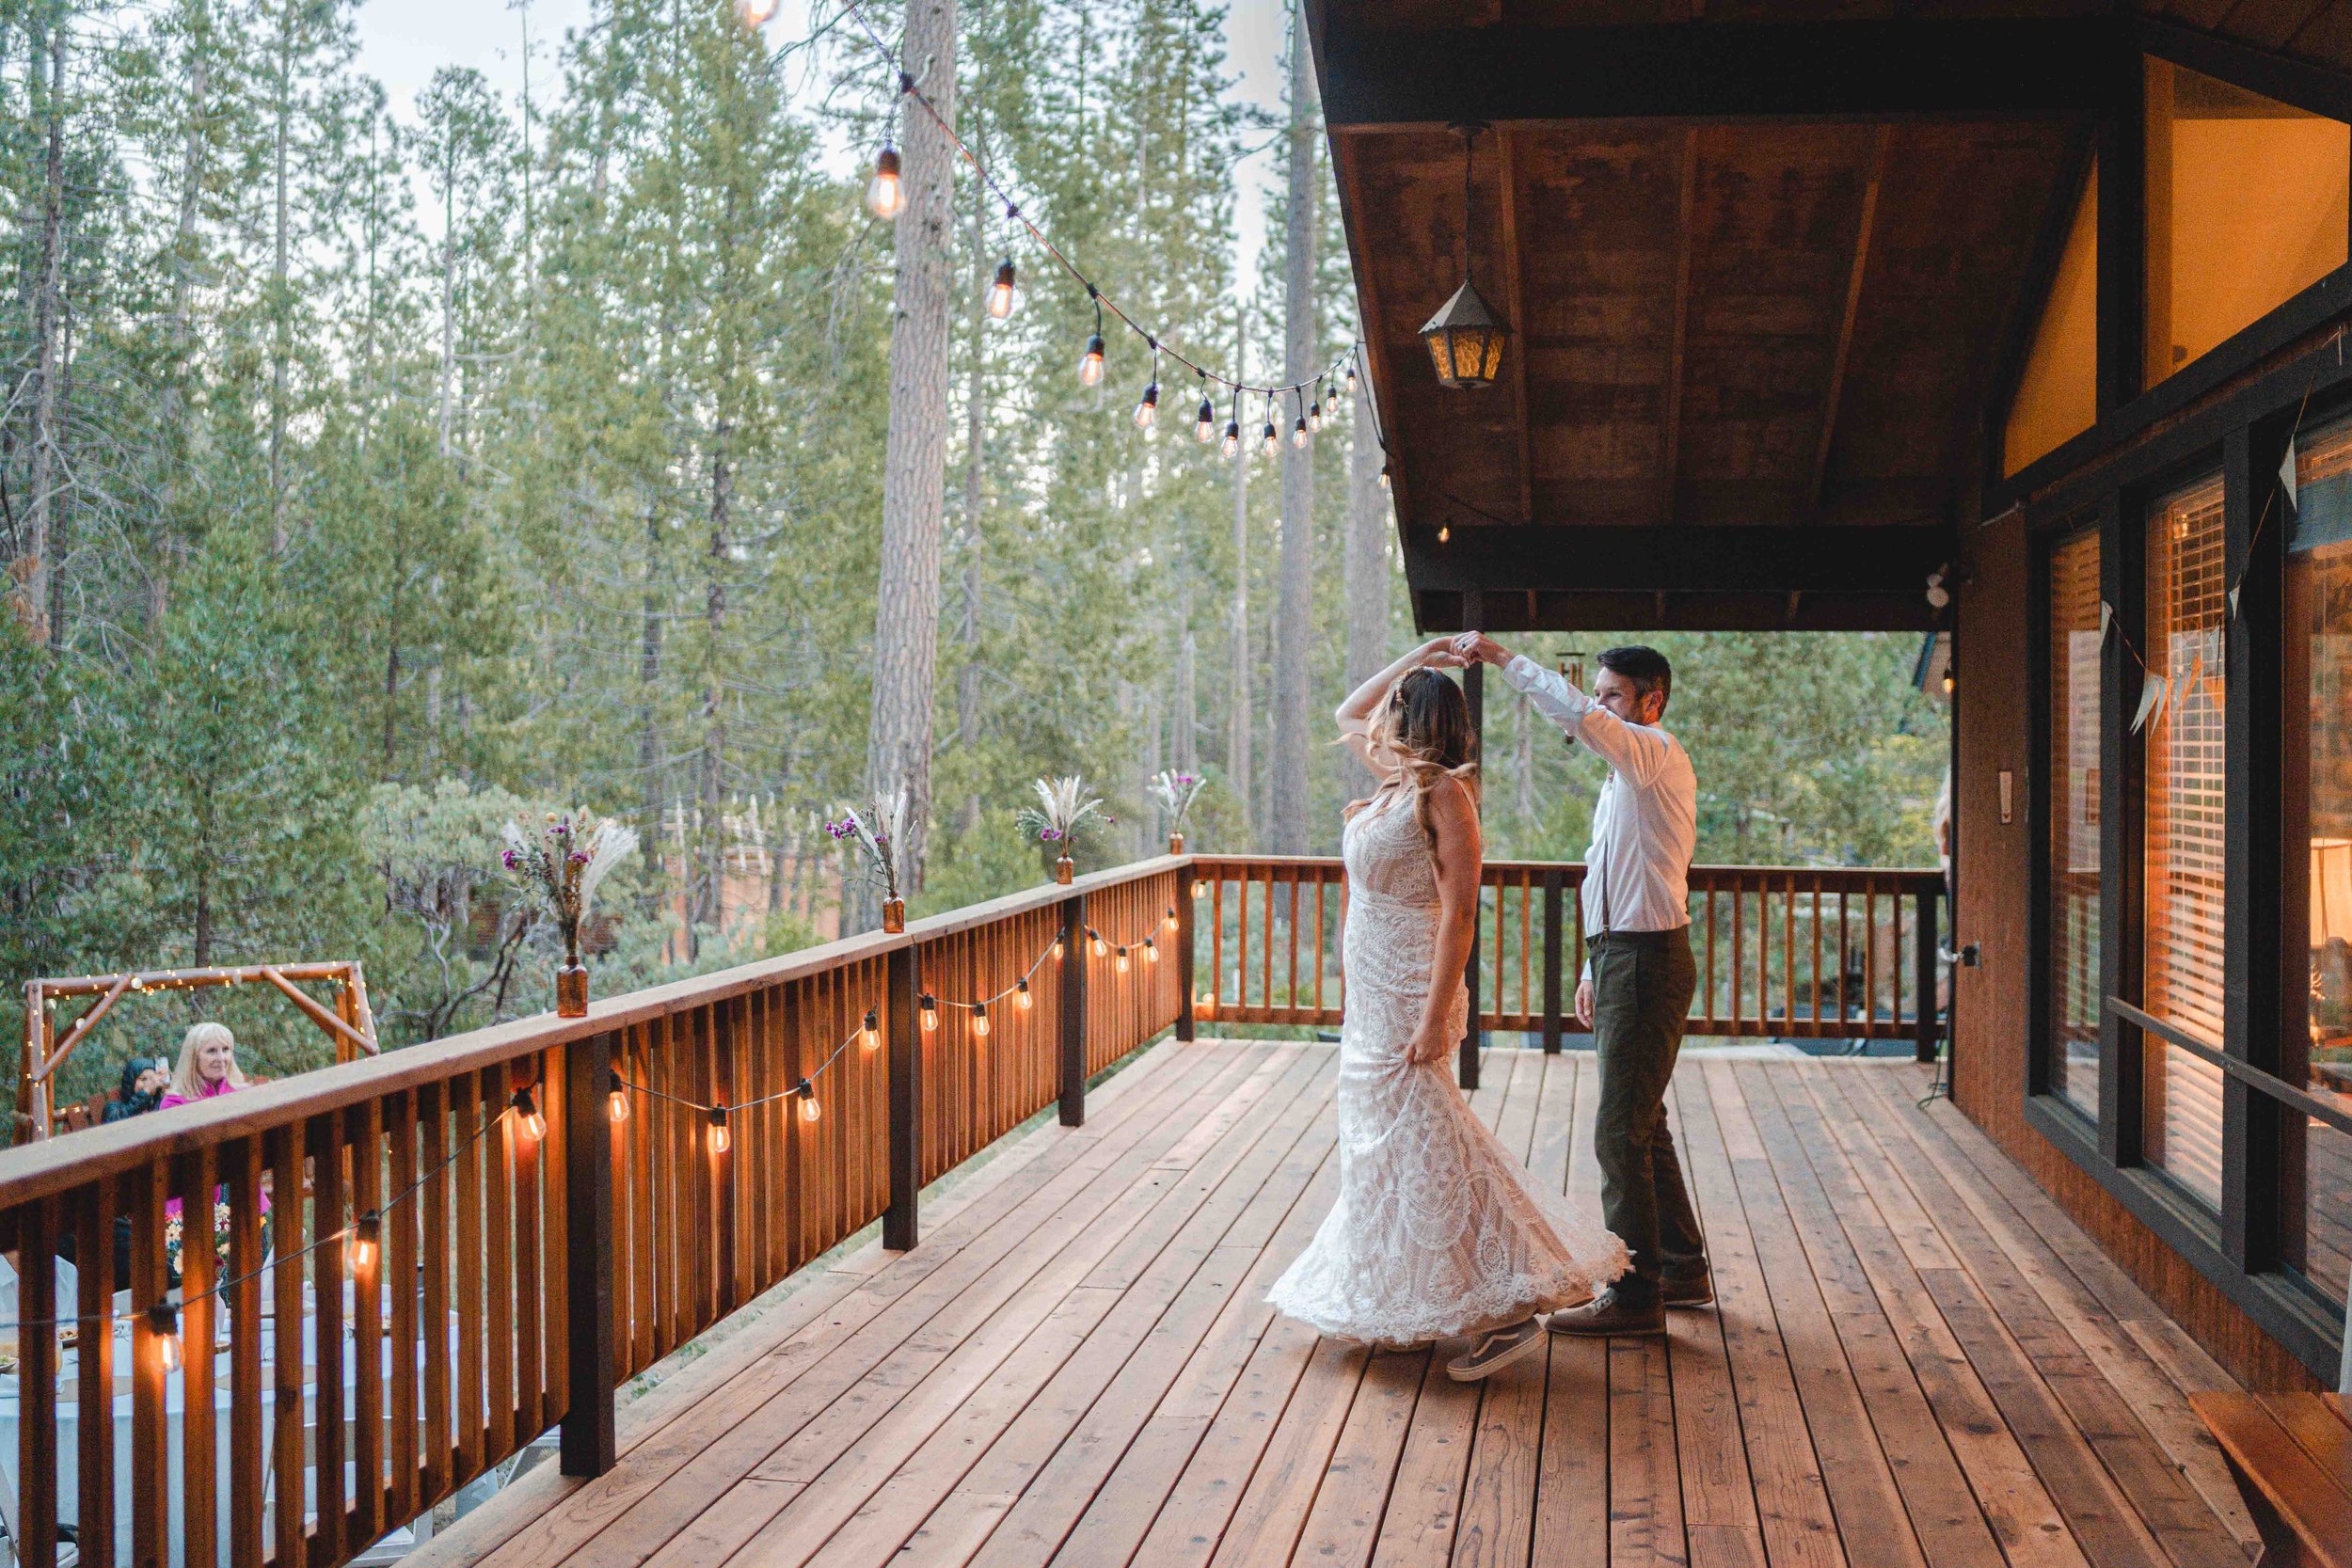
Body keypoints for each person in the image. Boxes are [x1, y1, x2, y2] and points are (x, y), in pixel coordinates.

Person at [1264, 639, 1627, 1382]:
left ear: (1421, 716)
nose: (1385, 713)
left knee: (1430, 1142)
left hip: (1411, 994)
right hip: (1369, 996)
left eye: (1401, 703)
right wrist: (1421, 652)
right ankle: (1415, 1295)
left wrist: (1435, 1018)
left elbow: (1461, 911)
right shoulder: (1396, 782)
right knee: (1384, 1148)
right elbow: (1345, 709)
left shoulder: (1443, 795)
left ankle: (1511, 1304)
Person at [1454, 634, 1708, 1337]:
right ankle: (1682, 1268)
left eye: (1612, 696)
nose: (1599, 707)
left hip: (1650, 961)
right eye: (1597, 694)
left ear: (1650, 701)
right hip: (1627, 954)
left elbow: (1578, 720)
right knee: (1641, 1121)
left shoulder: (1655, 753)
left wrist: (1507, 660)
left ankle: (1636, 1299)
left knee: (1616, 1132)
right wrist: (1595, 964)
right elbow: (1620, 877)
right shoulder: (1625, 776)